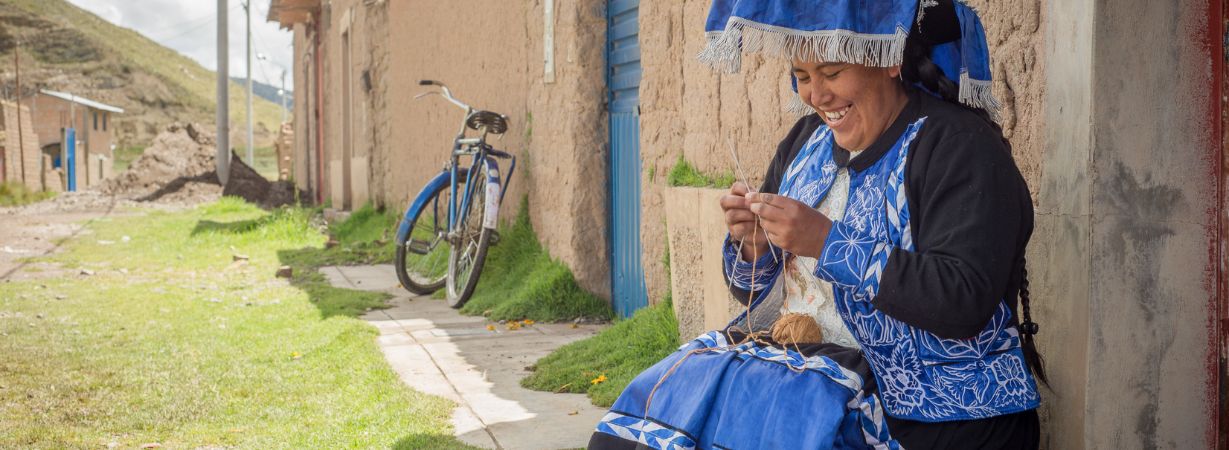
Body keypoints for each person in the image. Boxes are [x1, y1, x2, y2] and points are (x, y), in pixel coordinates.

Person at [589, 1, 1044, 449]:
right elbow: (752, 294)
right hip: (812, 377)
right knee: (653, 413)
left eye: (832, 72)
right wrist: (753, 244)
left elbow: (963, 301)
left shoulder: (959, 148)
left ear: (888, 57)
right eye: (803, 76)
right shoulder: (806, 141)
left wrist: (828, 243)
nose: (817, 96)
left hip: (936, 411)